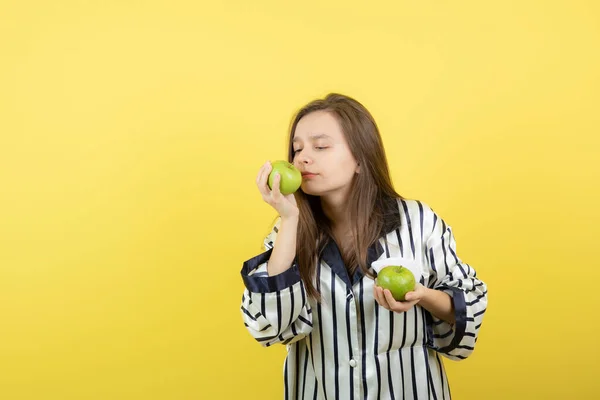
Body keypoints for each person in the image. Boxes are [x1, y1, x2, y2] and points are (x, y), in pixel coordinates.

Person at [239, 93, 488, 399]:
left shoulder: (418, 221)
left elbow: (470, 305)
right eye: (297, 148)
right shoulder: (287, 233)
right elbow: (268, 324)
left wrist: (422, 295)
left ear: (360, 158)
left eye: (320, 146)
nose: (302, 157)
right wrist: (290, 219)